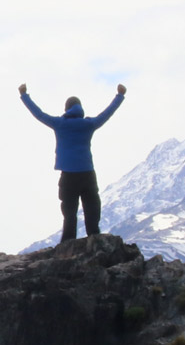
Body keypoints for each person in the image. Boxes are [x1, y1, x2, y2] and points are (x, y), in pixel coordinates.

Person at [19, 82, 126, 241]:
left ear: (66, 108)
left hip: (68, 175)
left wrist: (24, 95)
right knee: (92, 208)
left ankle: (68, 242)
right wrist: (120, 96)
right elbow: (107, 113)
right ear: (80, 108)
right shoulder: (89, 124)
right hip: (87, 173)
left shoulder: (59, 124)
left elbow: (39, 114)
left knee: (69, 212)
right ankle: (94, 238)